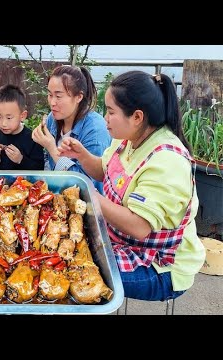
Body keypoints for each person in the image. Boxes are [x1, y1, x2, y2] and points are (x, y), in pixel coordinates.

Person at [57, 70, 206, 302]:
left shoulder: (167, 160)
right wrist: (82, 156)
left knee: (71, 273)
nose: (104, 118)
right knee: (60, 249)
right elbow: (105, 170)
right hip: (119, 240)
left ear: (137, 117)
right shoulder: (126, 139)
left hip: (159, 265)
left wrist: (92, 195)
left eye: (111, 111)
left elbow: (139, 227)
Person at [31, 65, 111, 193]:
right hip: (58, 194)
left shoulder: (95, 131)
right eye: (50, 94)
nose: (52, 102)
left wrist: (51, 147)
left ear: (79, 97)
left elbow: (86, 185)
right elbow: (48, 163)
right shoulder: (54, 117)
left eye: (58, 96)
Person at [0, 84, 44, 170]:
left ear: (22, 116)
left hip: (24, 183)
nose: (3, 123)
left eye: (9, 118)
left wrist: (21, 160)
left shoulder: (33, 139)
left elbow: (40, 169)